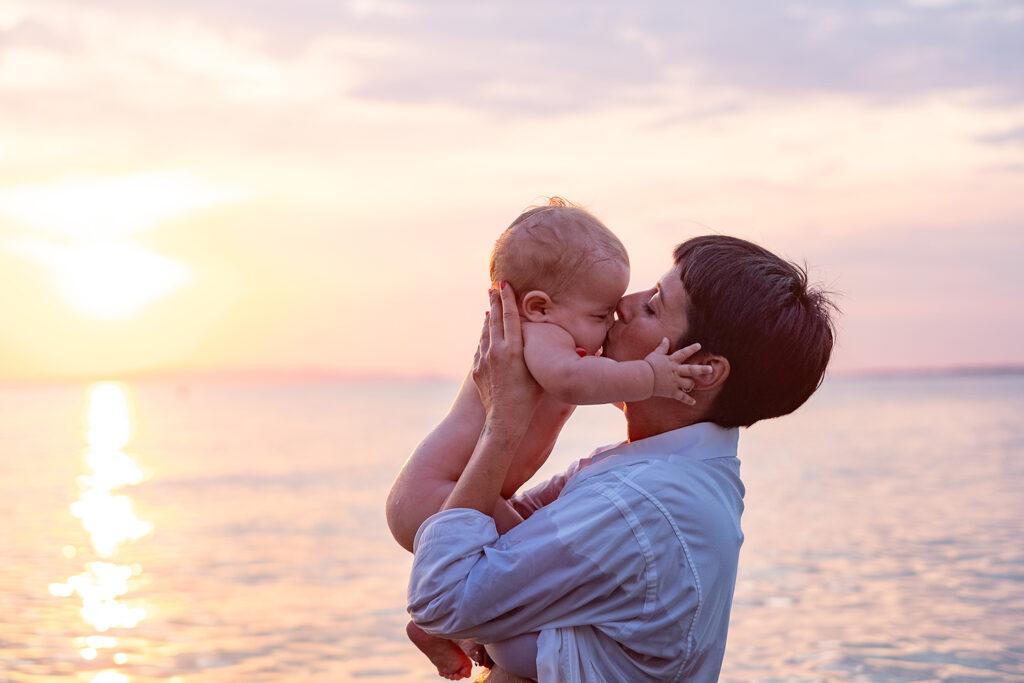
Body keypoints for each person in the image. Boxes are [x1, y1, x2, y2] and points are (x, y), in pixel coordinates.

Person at [407, 235, 837, 681]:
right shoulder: (665, 473)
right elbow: (503, 534)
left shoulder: (638, 503)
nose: (623, 305)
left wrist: (504, 420)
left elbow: (440, 599)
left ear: (704, 371)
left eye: (653, 305)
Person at [386, 200, 711, 679]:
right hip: (438, 489)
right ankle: (439, 624)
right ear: (539, 306)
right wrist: (649, 376)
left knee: (516, 564)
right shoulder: (540, 339)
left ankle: (444, 628)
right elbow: (572, 380)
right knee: (506, 562)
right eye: (601, 313)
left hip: (464, 487)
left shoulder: (548, 329)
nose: (613, 321)